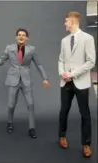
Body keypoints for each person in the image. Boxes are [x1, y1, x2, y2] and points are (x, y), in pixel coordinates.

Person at [0, 28, 49, 138]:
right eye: (19, 35)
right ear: (16, 37)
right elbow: (2, 61)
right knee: (11, 105)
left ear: (27, 38)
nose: (21, 37)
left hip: (26, 80)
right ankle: (9, 123)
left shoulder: (31, 49)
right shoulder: (9, 48)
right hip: (13, 80)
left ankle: (32, 128)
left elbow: (39, 65)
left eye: (23, 35)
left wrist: (45, 78)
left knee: (31, 104)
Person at [58, 11, 96, 158]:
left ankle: (86, 144)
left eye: (66, 21)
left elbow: (91, 62)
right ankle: (61, 136)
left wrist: (72, 74)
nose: (65, 24)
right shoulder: (64, 40)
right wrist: (62, 73)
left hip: (81, 82)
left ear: (73, 22)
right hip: (65, 82)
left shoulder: (88, 38)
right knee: (64, 111)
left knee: (85, 114)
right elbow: (61, 59)